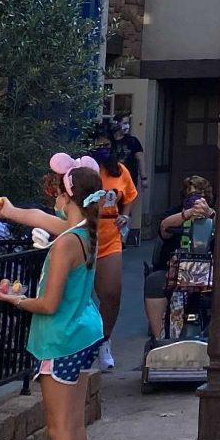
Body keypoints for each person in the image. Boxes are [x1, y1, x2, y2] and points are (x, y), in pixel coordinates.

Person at [0, 164, 107, 440]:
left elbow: (47, 303)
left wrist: (13, 299)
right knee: (74, 426)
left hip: (60, 340)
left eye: (57, 193)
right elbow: (40, 219)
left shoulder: (65, 244)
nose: (53, 200)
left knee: (60, 430)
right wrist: (11, 211)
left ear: (66, 196)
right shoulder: (84, 231)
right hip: (83, 334)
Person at [86, 125, 139, 370]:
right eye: (97, 144)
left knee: (111, 293)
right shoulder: (82, 169)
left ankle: (104, 340)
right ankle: (82, 343)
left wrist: (126, 218)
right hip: (85, 234)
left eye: (106, 144)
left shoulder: (119, 171)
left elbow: (129, 197)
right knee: (81, 293)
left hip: (111, 234)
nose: (102, 149)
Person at [145, 175, 213, 349]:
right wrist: (187, 214)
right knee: (154, 282)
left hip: (206, 272)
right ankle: (160, 340)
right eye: (189, 193)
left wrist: (209, 213)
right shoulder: (174, 214)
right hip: (173, 270)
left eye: (198, 193)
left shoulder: (212, 214)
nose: (194, 197)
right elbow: (164, 227)